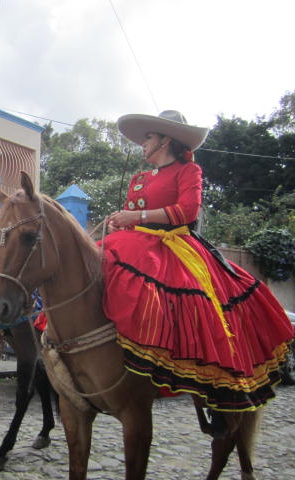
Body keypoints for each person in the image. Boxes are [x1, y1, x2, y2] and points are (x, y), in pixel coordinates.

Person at [102, 110, 294, 420]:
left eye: (148, 137)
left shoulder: (188, 171)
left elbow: (188, 211)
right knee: (93, 264)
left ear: (165, 140)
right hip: (133, 242)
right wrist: (118, 223)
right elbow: (130, 215)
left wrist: (136, 217)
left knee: (203, 302)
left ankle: (217, 384)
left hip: (174, 242)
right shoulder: (139, 179)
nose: (143, 143)